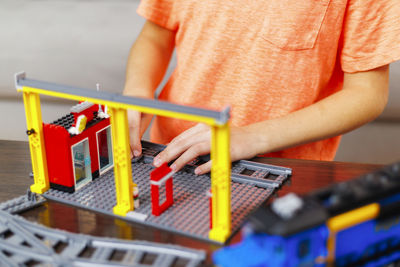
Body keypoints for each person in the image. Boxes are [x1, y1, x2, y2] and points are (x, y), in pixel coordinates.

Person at [123, 0, 400, 175]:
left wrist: (249, 137)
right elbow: (155, 37)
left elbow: (367, 93)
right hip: (167, 150)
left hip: (276, 170)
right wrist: (138, 93)